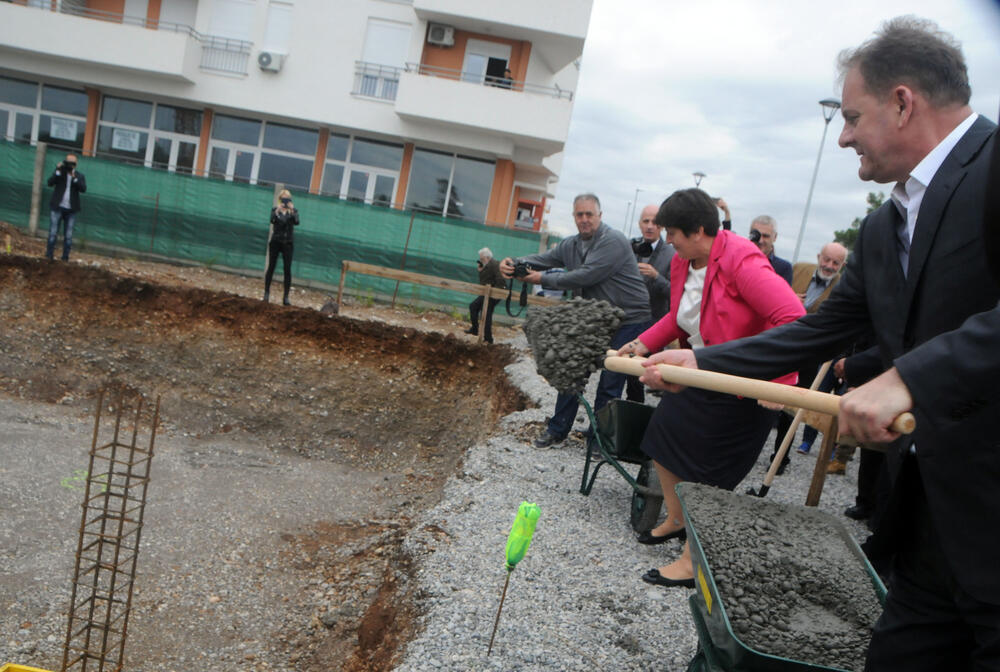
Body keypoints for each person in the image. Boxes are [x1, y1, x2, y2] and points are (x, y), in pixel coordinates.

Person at [639, 18, 999, 669]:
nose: (843, 136)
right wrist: (701, 361)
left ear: (902, 102)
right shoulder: (889, 222)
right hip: (926, 526)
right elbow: (815, 330)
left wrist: (912, 376)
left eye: (853, 116)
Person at [616, 188, 804, 588]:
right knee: (661, 439)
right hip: (698, 372)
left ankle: (692, 561)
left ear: (699, 230)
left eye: (673, 233)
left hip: (741, 383)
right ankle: (678, 518)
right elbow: (679, 318)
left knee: (709, 474)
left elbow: (792, 317)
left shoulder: (742, 261)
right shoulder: (687, 262)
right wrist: (642, 343)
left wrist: (781, 380)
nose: (668, 240)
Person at [499, 193, 652, 448]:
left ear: (600, 216)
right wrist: (514, 264)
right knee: (571, 371)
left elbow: (586, 276)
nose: (584, 220)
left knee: (610, 380)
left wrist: (540, 280)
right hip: (595, 317)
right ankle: (558, 430)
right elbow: (545, 258)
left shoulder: (612, 241)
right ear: (574, 217)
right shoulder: (571, 245)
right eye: (579, 215)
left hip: (630, 319)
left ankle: (599, 441)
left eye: (589, 214)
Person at [772, 241, 849, 462]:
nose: (829, 266)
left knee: (793, 405)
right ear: (818, 257)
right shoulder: (797, 269)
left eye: (836, 263)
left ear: (842, 266)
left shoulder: (843, 288)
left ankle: (780, 457)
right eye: (826, 259)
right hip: (779, 345)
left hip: (809, 354)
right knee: (764, 397)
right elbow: (773, 293)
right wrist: (789, 299)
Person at [625, 204, 675, 402]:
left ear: (661, 226)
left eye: (654, 222)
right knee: (618, 376)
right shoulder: (629, 248)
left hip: (655, 326)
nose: (650, 226)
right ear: (639, 224)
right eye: (646, 221)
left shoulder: (672, 254)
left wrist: (656, 277)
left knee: (645, 377)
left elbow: (675, 293)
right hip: (627, 323)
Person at [46, 153, 86, 261]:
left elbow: (83, 189)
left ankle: (65, 258)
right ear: (65, 162)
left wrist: (75, 179)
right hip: (57, 207)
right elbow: (50, 183)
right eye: (68, 163)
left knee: (68, 236)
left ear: (76, 164)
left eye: (73, 163)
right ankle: (49, 256)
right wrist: (58, 171)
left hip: (71, 210)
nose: (70, 165)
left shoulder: (79, 176)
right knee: (53, 233)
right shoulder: (60, 173)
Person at [264, 189, 299, 306]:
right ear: (279, 200)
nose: (285, 202)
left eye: (287, 199)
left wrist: (292, 210)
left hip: (288, 243)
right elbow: (272, 220)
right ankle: (266, 293)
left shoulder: (293, 212)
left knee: (287, 270)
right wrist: (278, 210)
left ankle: (286, 297)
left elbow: (297, 221)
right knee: (271, 267)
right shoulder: (275, 211)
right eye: (283, 199)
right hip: (276, 241)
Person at [465, 247, 505, 343]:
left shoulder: (495, 264)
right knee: (474, 307)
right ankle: (476, 329)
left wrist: (495, 293)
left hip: (493, 293)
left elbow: (500, 280)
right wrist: (481, 271)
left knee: (485, 313)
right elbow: (483, 282)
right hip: (487, 292)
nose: (481, 260)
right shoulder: (488, 265)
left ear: (487, 257)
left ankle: (488, 338)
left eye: (482, 259)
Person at [749, 215, 793, 285]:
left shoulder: (784, 268)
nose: (760, 241)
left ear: (775, 237)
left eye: (765, 236)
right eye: (756, 235)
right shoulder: (738, 261)